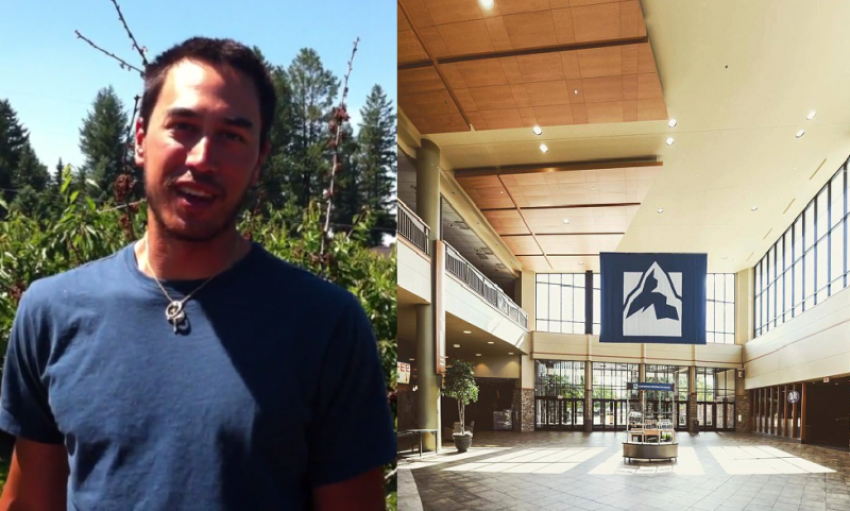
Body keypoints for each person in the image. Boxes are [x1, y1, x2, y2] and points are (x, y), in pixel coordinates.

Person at [0, 36, 395, 510]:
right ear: (141, 139)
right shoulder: (51, 312)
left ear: (259, 162)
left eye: (232, 135)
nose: (202, 158)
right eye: (182, 127)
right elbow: (30, 501)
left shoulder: (326, 324)